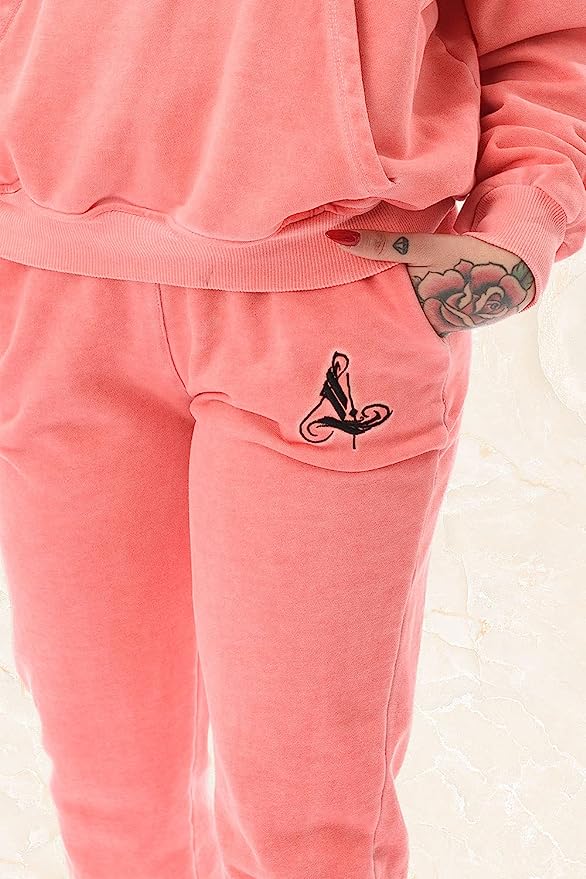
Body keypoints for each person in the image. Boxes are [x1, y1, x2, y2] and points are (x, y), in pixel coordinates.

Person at [0, 1, 584, 878]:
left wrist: (521, 220)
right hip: (49, 289)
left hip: (329, 294)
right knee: (110, 808)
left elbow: (551, 33)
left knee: (307, 831)